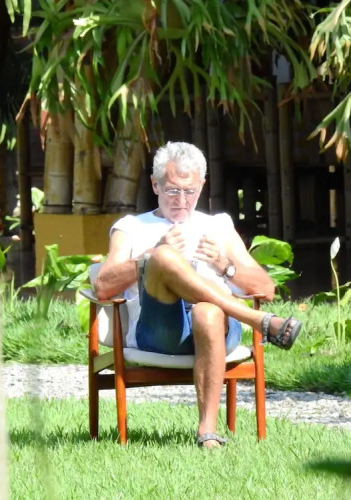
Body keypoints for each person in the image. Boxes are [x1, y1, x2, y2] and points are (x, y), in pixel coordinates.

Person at [93, 141, 302, 449]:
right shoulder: (131, 227)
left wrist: (225, 266)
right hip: (161, 329)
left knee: (208, 312)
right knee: (163, 257)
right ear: (155, 185)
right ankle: (258, 320)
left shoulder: (217, 226)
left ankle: (207, 432)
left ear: (202, 186)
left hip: (216, 328)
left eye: (189, 191)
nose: (181, 201)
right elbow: (102, 286)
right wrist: (149, 256)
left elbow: (265, 287)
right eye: (172, 191)